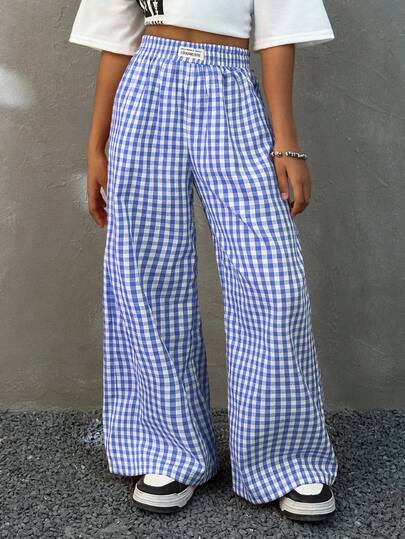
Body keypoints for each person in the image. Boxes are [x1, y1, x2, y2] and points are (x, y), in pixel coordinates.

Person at [69, 0, 338, 521]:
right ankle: (170, 449)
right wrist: (95, 147)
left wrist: (286, 144)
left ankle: (286, 458)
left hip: (229, 89)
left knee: (273, 281)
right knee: (145, 272)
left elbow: (279, 30)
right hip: (145, 90)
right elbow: (117, 39)